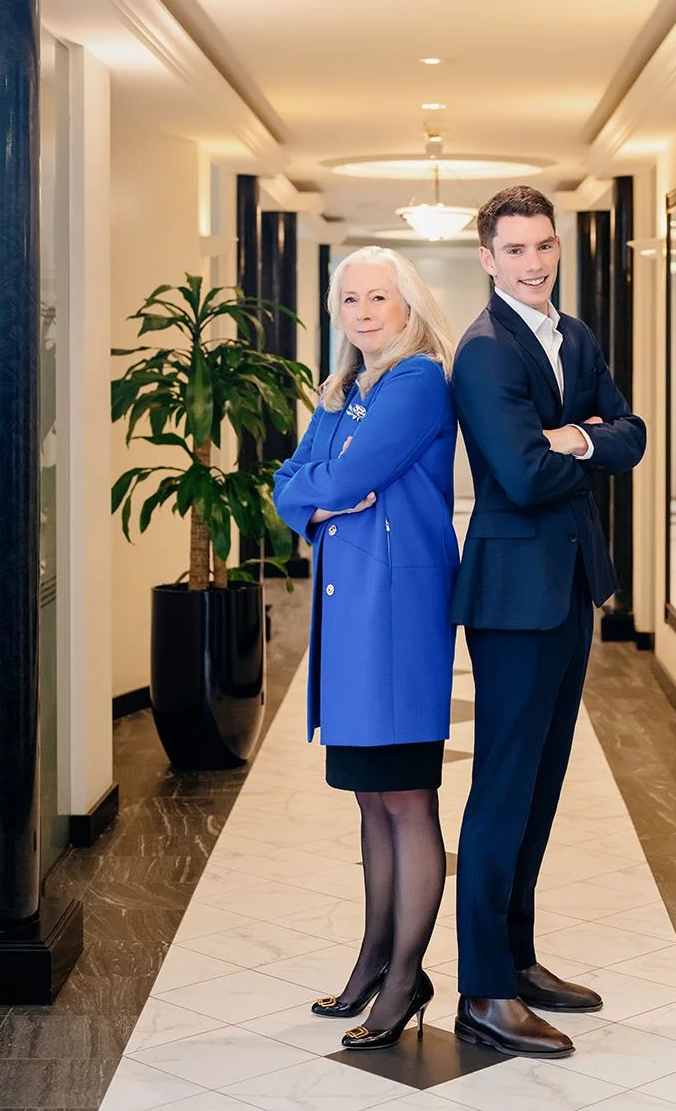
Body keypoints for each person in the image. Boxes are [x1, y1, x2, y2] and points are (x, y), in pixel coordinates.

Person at [450, 186, 646, 1058]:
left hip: (569, 588)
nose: (533, 264)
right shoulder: (484, 353)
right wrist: (581, 439)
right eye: (516, 251)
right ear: (487, 259)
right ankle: (483, 992)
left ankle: (519, 959)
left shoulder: (577, 336)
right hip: (512, 599)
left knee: (543, 783)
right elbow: (525, 479)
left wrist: (574, 437)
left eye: (544, 247)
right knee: (501, 788)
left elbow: (634, 434)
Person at [272, 246, 458, 1051]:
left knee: (407, 797)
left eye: (379, 297)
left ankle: (407, 973)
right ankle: (374, 956)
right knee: (368, 797)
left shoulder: (417, 382)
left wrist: (323, 490)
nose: (364, 312)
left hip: (398, 612)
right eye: (351, 300)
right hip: (352, 619)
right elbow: (294, 480)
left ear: (408, 306)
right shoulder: (343, 389)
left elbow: (341, 481)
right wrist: (317, 495)